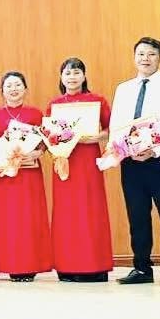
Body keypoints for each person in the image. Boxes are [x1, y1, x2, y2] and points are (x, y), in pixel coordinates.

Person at [110, 37, 160, 287]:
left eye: (151, 54)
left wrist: (155, 150)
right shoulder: (123, 89)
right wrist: (122, 150)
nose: (146, 58)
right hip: (131, 162)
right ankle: (141, 268)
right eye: (141, 54)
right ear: (134, 57)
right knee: (137, 217)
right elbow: (116, 124)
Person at [47, 58, 114, 283]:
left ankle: (95, 266)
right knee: (66, 214)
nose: (72, 77)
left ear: (84, 76)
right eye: (67, 73)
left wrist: (96, 137)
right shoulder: (54, 105)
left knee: (91, 210)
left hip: (88, 162)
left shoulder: (97, 101)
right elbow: (48, 134)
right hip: (65, 162)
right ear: (61, 77)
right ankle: (67, 266)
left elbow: (111, 129)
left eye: (77, 72)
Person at [0, 71, 52, 281]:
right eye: (9, 86)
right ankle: (12, 265)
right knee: (10, 220)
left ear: (25, 89)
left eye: (17, 85)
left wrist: (38, 153)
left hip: (30, 174)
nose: (13, 89)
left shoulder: (36, 114)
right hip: (6, 176)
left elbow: (46, 141)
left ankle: (32, 264)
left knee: (31, 219)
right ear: (2, 91)